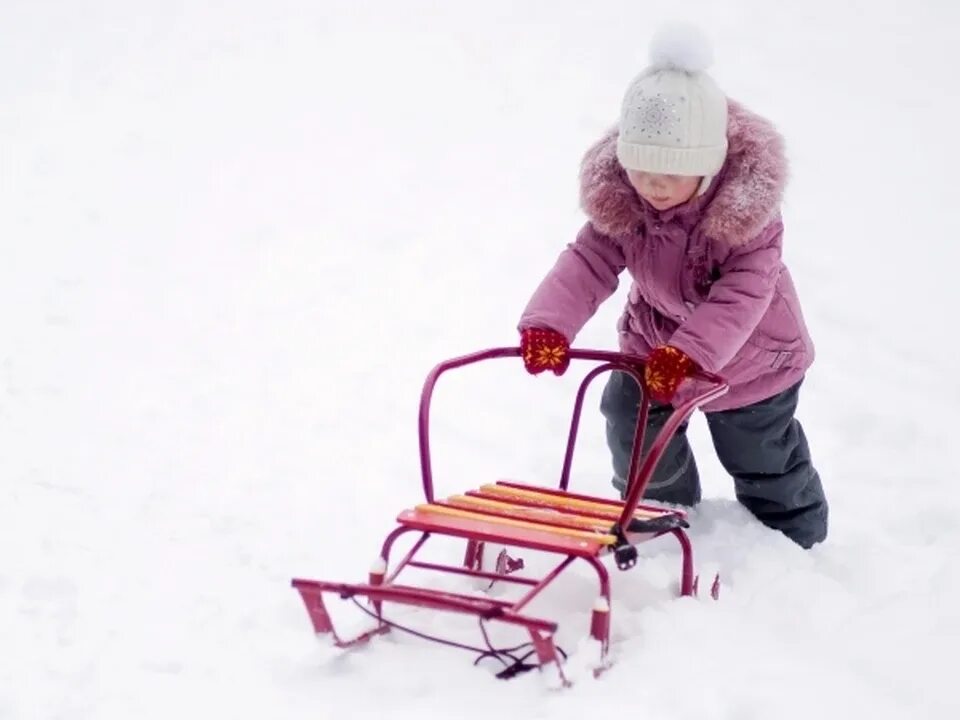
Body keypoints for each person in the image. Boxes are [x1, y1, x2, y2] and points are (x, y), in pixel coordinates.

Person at [516, 25, 828, 548]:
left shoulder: (748, 221)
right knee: (630, 417)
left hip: (753, 361)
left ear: (709, 166)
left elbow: (744, 294)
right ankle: (663, 511)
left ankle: (794, 543)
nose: (653, 187)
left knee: (758, 452)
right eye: (640, 170)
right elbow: (588, 260)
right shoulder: (628, 205)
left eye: (670, 174)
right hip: (654, 343)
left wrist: (689, 354)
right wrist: (548, 323)